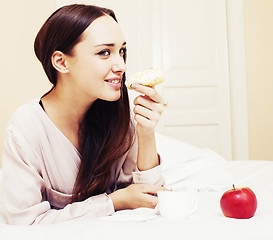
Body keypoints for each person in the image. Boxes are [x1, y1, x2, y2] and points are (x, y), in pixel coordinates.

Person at [2, 4, 166, 225]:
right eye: (104, 52)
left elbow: (150, 197)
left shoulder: (118, 114)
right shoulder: (26, 127)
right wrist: (112, 202)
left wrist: (146, 132)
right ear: (61, 62)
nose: (121, 65)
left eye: (122, 51)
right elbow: (23, 223)